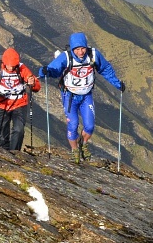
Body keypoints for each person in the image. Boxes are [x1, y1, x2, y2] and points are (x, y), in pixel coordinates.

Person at [38, 32, 125, 164]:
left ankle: (83, 144)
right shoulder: (66, 57)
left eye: (83, 48)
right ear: (72, 49)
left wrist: (117, 84)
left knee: (89, 126)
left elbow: (105, 69)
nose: (80, 52)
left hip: (86, 96)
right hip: (70, 96)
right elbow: (53, 70)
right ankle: (74, 151)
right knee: (73, 125)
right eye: (77, 49)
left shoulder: (93, 55)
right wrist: (44, 71)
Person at [0, 47, 41, 151]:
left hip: (19, 103)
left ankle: (15, 153)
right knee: (3, 132)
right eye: (9, 65)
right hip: (2, 104)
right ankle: (4, 153)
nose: (11, 68)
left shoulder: (22, 68)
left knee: (19, 130)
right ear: (4, 62)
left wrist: (33, 83)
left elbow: (36, 86)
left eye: (13, 66)